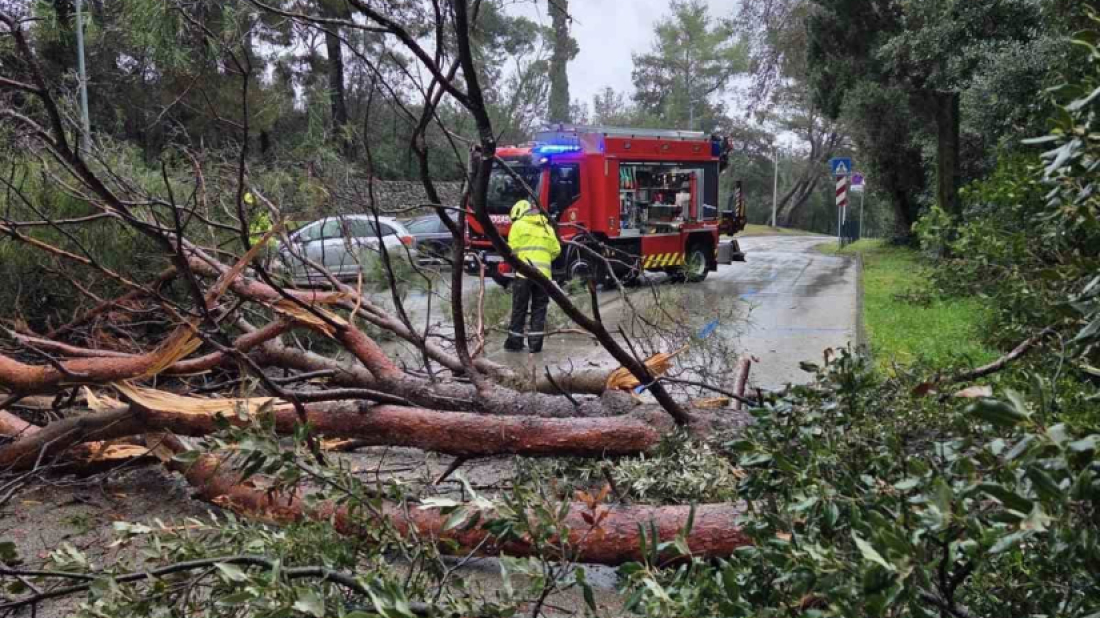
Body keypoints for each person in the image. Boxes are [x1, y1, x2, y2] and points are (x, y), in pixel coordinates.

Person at [504, 199, 561, 353]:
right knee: (539, 310)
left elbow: (512, 250)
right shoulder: (547, 227)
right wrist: (543, 259)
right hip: (544, 277)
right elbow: (556, 250)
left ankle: (515, 343)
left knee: (519, 308)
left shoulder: (517, 225)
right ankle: (535, 345)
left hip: (524, 274)